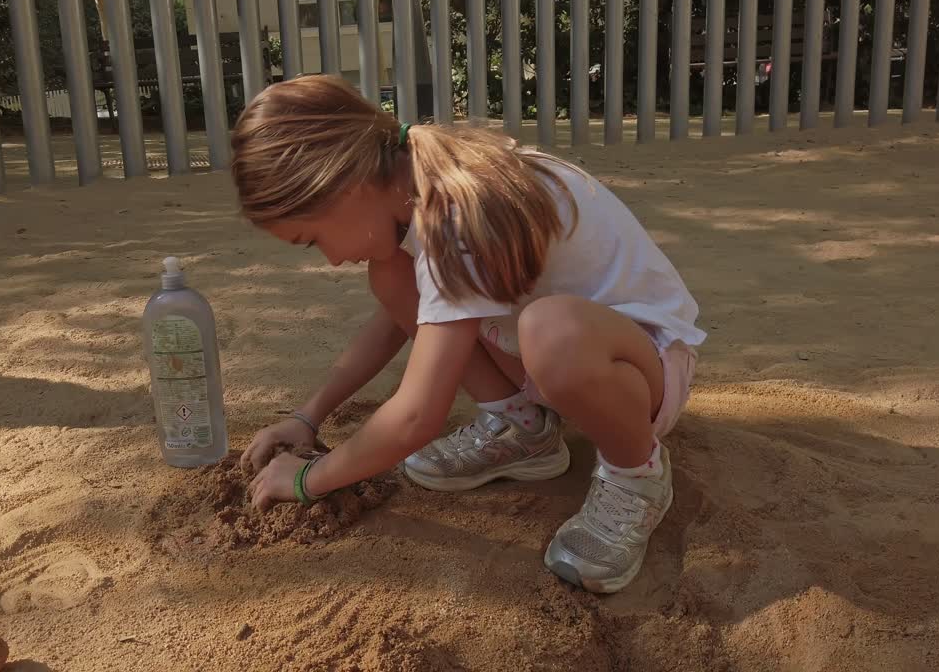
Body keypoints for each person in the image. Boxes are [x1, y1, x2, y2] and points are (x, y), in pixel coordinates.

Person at [234, 75, 705, 594]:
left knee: (551, 332)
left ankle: (636, 474)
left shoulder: (459, 213)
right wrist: (308, 416)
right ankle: (524, 430)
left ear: (343, 186)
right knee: (391, 274)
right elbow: (400, 321)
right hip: (553, 359)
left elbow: (416, 415)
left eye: (312, 239)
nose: (331, 258)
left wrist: (307, 480)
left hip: (644, 370)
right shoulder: (422, 193)